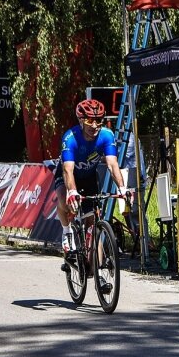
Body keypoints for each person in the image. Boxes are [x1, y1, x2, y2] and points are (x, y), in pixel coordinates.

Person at [54, 99, 127, 255]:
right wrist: (72, 192)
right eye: (90, 120)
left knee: (91, 220)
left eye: (99, 120)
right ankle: (66, 231)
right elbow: (68, 170)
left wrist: (122, 188)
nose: (95, 125)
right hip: (68, 175)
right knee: (63, 200)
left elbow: (113, 165)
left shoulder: (107, 135)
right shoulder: (70, 137)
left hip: (88, 177)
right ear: (81, 120)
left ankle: (95, 267)